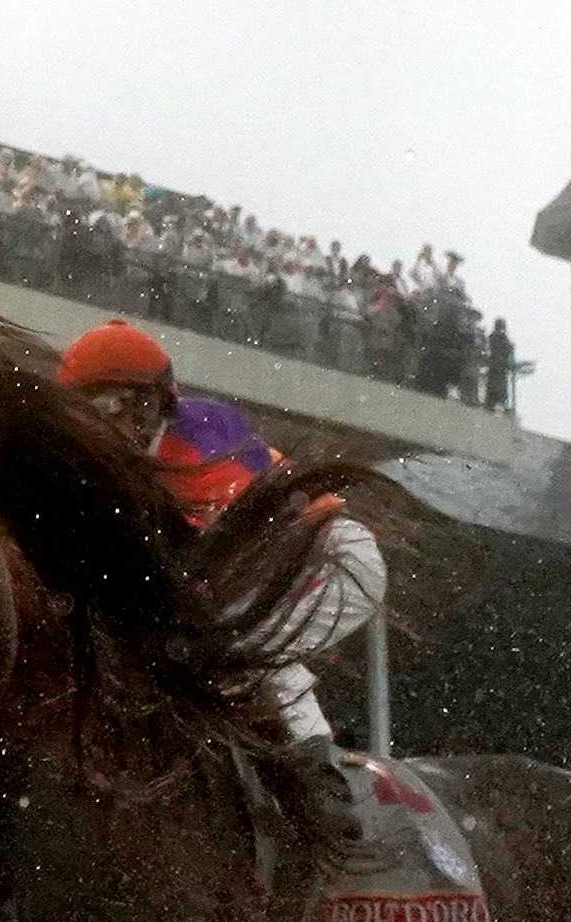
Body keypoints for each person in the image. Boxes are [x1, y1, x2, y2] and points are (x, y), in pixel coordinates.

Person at [54, 319, 379, 752]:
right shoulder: (128, 460)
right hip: (276, 563)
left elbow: (202, 568)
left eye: (123, 406)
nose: (116, 426)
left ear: (156, 403)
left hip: (330, 555)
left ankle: (317, 762)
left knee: (231, 643)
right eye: (98, 410)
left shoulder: (198, 436)